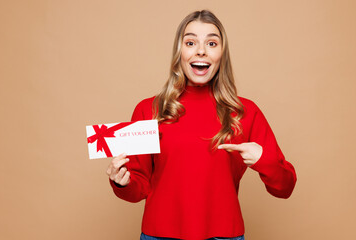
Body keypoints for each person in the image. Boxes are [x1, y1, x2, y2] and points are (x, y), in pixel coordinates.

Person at [106, 10, 297, 240]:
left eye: (212, 43)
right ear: (180, 52)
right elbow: (137, 188)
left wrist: (264, 160)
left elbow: (285, 187)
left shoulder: (245, 112)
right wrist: (121, 181)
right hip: (160, 235)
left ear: (221, 54)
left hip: (224, 235)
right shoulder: (149, 110)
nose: (201, 50)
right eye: (190, 42)